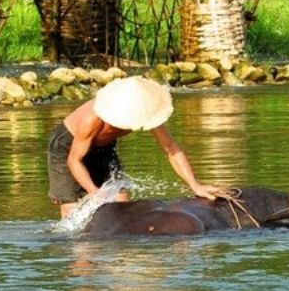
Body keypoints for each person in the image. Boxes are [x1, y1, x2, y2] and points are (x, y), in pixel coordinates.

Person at [47, 75, 228, 218]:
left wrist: (195, 185)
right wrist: (94, 192)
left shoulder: (147, 112)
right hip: (68, 147)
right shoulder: (92, 119)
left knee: (121, 203)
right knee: (72, 210)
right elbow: (74, 160)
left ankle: (116, 259)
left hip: (104, 146)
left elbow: (171, 148)